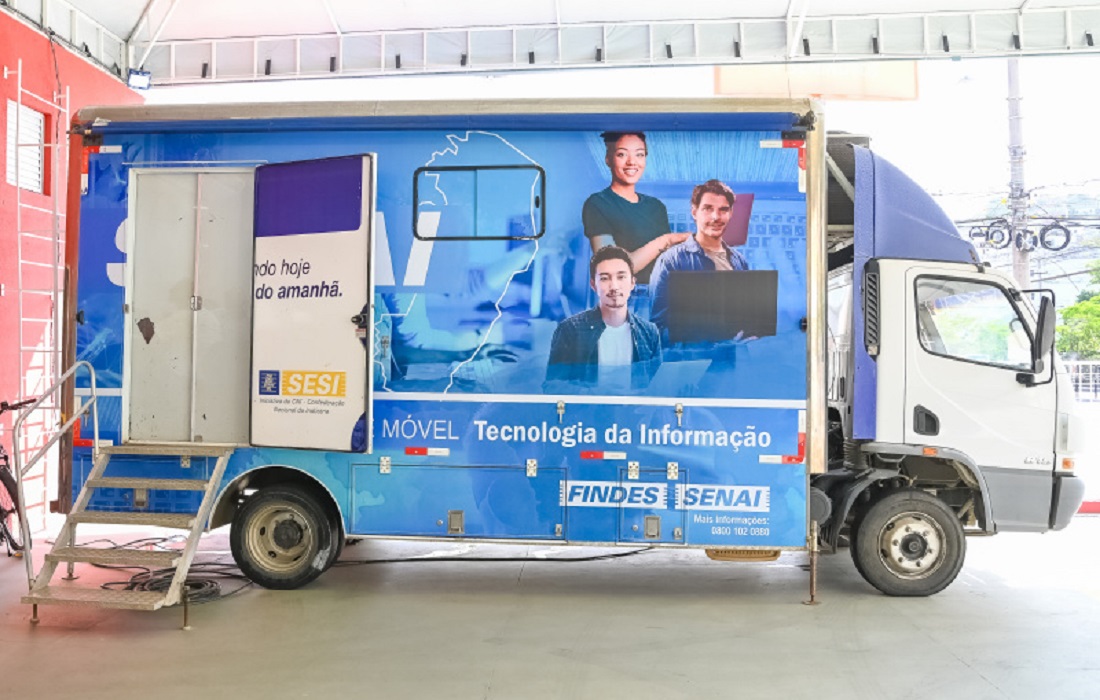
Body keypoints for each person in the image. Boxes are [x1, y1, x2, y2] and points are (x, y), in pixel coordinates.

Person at [544, 246, 661, 392]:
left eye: (621, 277)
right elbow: (552, 386)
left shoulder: (649, 333)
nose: (614, 286)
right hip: (588, 407)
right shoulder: (571, 330)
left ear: (632, 283)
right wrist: (595, 394)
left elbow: (657, 389)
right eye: (605, 278)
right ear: (593, 285)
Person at [583, 131, 689, 284]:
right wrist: (666, 240)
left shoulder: (656, 206)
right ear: (608, 159)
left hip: (661, 292)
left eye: (639, 154)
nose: (632, 162)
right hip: (625, 295)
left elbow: (665, 262)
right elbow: (613, 268)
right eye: (622, 154)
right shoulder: (598, 203)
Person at [649, 179, 750, 334]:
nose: (716, 217)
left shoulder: (739, 261)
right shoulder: (671, 261)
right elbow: (657, 327)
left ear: (730, 214)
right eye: (708, 209)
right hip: (693, 349)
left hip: (732, 348)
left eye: (723, 210)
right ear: (694, 212)